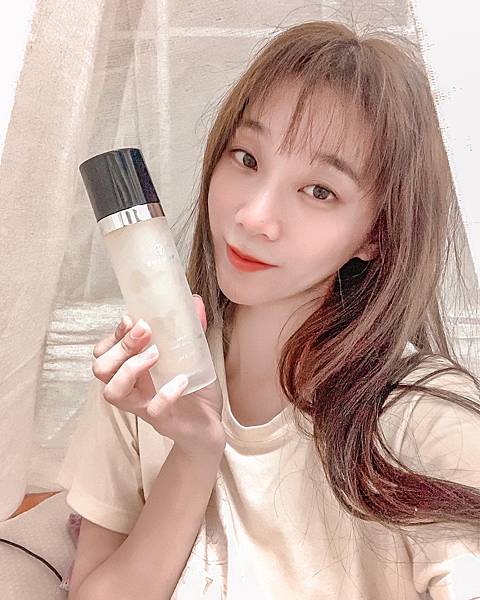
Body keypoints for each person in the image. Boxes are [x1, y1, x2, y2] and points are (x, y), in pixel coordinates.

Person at [56, 20, 480, 600]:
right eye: (247, 158)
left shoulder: (425, 420)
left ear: (376, 234)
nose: (253, 216)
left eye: (320, 191)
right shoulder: (142, 379)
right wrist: (195, 453)